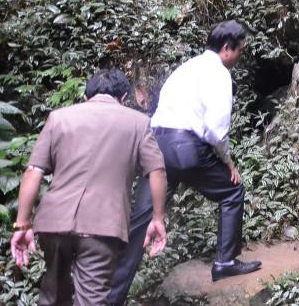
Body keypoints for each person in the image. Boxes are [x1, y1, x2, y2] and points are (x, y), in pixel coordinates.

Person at [108, 20, 261, 304]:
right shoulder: (219, 74)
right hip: (185, 148)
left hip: (156, 145)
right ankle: (225, 262)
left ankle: (109, 297)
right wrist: (228, 162)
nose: (240, 55)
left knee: (141, 224)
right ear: (227, 48)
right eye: (240, 50)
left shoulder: (186, 68)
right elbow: (215, 131)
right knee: (232, 191)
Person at [10, 69, 168, 305]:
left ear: (86, 97)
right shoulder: (138, 123)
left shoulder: (58, 118)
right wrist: (157, 218)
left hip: (54, 223)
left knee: (53, 295)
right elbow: (157, 171)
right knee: (92, 299)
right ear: (124, 97)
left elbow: (33, 171)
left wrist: (22, 224)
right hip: (102, 226)